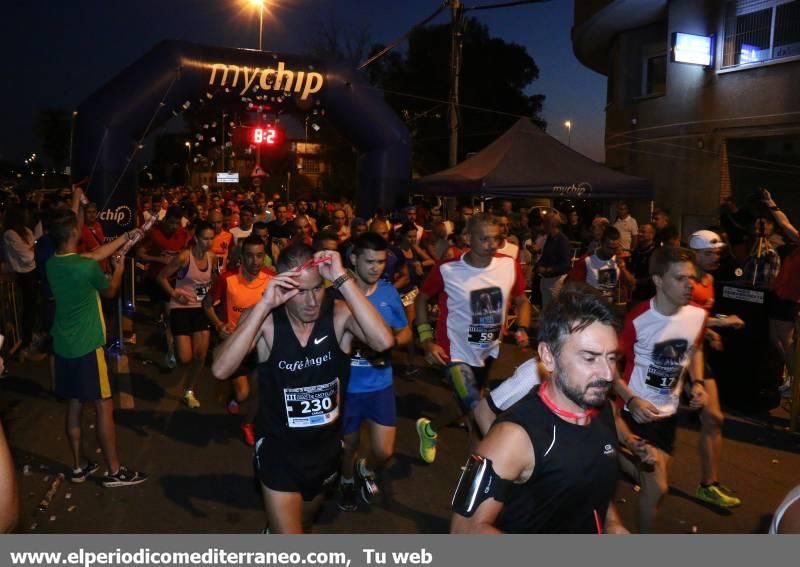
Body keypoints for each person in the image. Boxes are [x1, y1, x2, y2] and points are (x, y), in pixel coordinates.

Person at [211, 246, 394, 534]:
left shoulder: (337, 315)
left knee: (305, 520)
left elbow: (383, 342)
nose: (311, 301)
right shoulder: (268, 322)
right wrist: (263, 305)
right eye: (300, 291)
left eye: (317, 289)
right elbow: (220, 369)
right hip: (278, 451)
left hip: (325, 450)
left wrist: (342, 279)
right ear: (283, 286)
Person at [450, 287, 627, 534]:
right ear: (548, 356)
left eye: (611, 358)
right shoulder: (512, 437)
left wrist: (613, 525)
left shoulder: (602, 409)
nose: (608, 374)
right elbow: (464, 532)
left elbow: (593, 485)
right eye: (589, 358)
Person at [415, 214, 531, 463]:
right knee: (476, 408)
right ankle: (489, 468)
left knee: (463, 405)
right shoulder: (448, 268)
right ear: (467, 238)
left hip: (487, 349)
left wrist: (522, 327)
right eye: (484, 238)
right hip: (453, 352)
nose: (492, 244)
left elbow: (522, 301)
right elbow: (422, 298)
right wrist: (426, 340)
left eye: (497, 239)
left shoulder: (509, 265)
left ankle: (430, 429)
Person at [46, 209, 147, 487]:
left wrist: (126, 237)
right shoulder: (85, 266)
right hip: (88, 346)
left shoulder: (53, 263)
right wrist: (119, 270)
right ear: (74, 234)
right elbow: (110, 292)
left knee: (75, 404)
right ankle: (114, 471)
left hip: (63, 346)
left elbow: (93, 255)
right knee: (104, 406)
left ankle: (78, 467)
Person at [613, 246, 708, 532]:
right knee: (657, 487)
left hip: (667, 415)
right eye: (680, 278)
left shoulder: (698, 316)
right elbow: (608, 368)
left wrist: (698, 383)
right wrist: (632, 400)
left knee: (652, 486)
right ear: (658, 280)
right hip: (634, 416)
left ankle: (610, 456)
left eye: (692, 278)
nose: (689, 285)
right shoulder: (638, 319)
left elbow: (694, 351)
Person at [338, 233, 411, 511]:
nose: (376, 268)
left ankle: (364, 469)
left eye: (381, 262)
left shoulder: (389, 292)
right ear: (353, 259)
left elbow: (404, 332)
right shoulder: (337, 295)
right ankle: (346, 482)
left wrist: (388, 345)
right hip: (346, 389)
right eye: (369, 261)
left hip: (380, 385)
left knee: (384, 451)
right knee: (348, 445)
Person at [687, 229, 744, 508]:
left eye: (717, 253)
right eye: (708, 253)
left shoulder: (709, 280)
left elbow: (700, 317)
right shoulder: (684, 281)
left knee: (714, 418)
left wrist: (709, 331)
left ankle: (709, 485)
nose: (714, 257)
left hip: (696, 352)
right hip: (672, 356)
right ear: (694, 254)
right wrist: (721, 324)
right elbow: (680, 320)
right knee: (648, 422)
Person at [204, 235, 273, 446]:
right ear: (242, 257)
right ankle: (235, 399)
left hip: (261, 346)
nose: (255, 261)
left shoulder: (272, 278)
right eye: (250, 256)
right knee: (244, 394)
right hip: (236, 345)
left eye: (260, 256)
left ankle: (248, 424)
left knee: (260, 391)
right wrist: (218, 324)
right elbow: (207, 304)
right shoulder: (227, 279)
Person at [158, 221, 217, 408]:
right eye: (205, 238)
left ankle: (189, 391)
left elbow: (211, 279)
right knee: (185, 358)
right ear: (197, 239)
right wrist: (175, 294)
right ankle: (171, 338)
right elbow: (161, 277)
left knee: (201, 355)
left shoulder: (212, 257)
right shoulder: (185, 257)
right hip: (181, 308)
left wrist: (209, 294)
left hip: (200, 308)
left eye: (211, 238)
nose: (209, 242)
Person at [137, 206, 190, 369]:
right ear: (166, 219)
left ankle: (171, 351)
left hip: (173, 281)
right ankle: (160, 325)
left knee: (169, 314)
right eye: (172, 223)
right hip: (154, 280)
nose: (174, 227)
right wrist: (158, 259)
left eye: (177, 224)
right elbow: (140, 253)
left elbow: (186, 252)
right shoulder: (154, 233)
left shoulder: (183, 234)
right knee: (157, 313)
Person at [762, 190, 800, 397]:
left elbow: (786, 226)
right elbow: (786, 225)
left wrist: (771, 204)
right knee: (774, 338)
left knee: (787, 342)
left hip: (789, 299)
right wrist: (771, 203)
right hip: (778, 294)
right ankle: (791, 377)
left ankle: (796, 382)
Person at [395, 222, 434, 374]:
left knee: (410, 327)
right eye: (409, 236)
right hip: (398, 292)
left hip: (411, 292)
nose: (412, 239)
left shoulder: (414, 248)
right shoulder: (396, 251)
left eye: (414, 236)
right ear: (402, 236)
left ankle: (410, 364)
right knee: (398, 327)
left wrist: (420, 264)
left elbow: (431, 261)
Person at [568, 226, 635, 302]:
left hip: (610, 308)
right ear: (601, 243)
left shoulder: (618, 260)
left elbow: (632, 285)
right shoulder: (586, 260)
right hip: (590, 308)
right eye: (609, 248)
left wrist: (623, 269)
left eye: (615, 248)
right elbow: (570, 285)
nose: (612, 252)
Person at [536, 213, 571, 308]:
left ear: (552, 225)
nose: (543, 226)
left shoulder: (562, 240)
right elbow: (545, 256)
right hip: (546, 279)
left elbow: (566, 265)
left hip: (556, 281)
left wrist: (547, 270)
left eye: (545, 223)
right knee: (547, 310)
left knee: (557, 311)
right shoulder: (549, 239)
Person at [630, 223, 657, 302]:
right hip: (634, 293)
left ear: (651, 235)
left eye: (643, 232)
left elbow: (655, 277)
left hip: (649, 296)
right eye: (639, 231)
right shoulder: (637, 250)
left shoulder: (655, 253)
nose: (639, 234)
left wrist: (636, 282)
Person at [209, 208, 233, 273]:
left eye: (218, 222)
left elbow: (232, 258)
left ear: (222, 222)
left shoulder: (229, 236)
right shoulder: (203, 237)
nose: (216, 225)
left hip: (223, 275)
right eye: (213, 223)